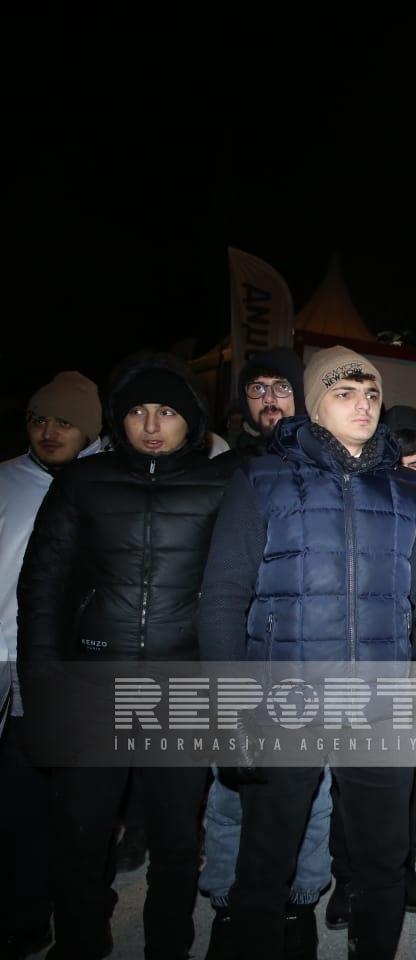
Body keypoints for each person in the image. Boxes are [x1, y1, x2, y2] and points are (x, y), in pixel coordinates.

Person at [197, 346, 416, 960]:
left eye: (370, 394)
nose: (363, 405)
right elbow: (222, 600)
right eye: (345, 394)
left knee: (382, 867)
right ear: (314, 406)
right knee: (266, 863)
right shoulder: (260, 481)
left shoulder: (406, 491)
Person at [20, 353, 238, 960]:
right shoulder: (82, 482)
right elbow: (43, 588)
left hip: (184, 684)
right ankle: (80, 942)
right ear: (118, 418)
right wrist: (42, 689)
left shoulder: (223, 481)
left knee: (174, 836)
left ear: (189, 420)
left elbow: (237, 589)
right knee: (81, 836)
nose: (150, 424)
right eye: (138, 410)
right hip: (93, 682)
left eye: (166, 411)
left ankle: (168, 944)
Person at [200, 350, 329, 959]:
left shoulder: (322, 464)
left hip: (303, 655)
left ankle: (300, 902)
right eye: (258, 388)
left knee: (314, 794)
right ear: (243, 399)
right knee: (230, 794)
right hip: (242, 651)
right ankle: (227, 903)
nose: (270, 398)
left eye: (282, 386)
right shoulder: (220, 468)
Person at [0, 370, 101, 959]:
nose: (49, 431)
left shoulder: (97, 486)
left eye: (64, 422)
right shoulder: (6, 481)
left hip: (65, 666)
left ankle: (51, 906)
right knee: (17, 803)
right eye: (40, 419)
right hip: (4, 656)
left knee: (55, 800)